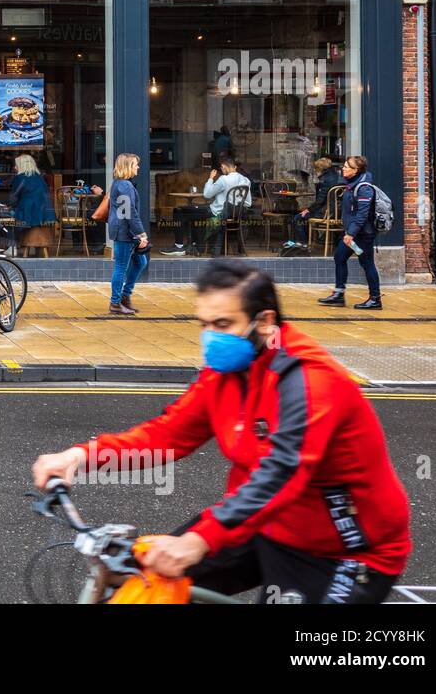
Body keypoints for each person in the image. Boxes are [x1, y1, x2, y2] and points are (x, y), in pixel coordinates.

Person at [32, 260, 411, 603]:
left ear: (264, 322)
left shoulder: (310, 382)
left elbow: (281, 475)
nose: (211, 336)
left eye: (223, 324)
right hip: (257, 524)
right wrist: (82, 456)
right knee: (144, 586)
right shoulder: (226, 372)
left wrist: (200, 540)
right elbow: (169, 435)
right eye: (205, 325)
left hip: (340, 550)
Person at [319, 155, 382, 310]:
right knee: (339, 257)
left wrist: (350, 234)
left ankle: (375, 299)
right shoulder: (352, 184)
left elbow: (362, 215)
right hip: (352, 233)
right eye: (344, 165)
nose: (343, 168)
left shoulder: (364, 188)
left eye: (347, 166)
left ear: (356, 170)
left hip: (362, 235)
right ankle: (339, 294)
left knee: (367, 264)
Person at [161, 157, 251, 257]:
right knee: (195, 211)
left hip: (216, 213)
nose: (222, 170)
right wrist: (234, 210)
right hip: (234, 215)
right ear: (234, 167)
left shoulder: (224, 179)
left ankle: (179, 246)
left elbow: (207, 194)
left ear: (224, 167)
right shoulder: (246, 180)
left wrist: (211, 178)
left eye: (222, 168)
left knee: (179, 211)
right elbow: (248, 203)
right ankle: (195, 245)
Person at [107, 152, 148, 316]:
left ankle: (125, 296)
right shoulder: (124, 185)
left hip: (125, 231)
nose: (138, 167)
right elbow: (129, 212)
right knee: (121, 267)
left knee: (140, 262)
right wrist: (141, 233)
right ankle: (115, 302)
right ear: (127, 166)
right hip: (124, 232)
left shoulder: (121, 184)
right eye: (135, 164)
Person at [284, 156, 340, 250]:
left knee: (298, 217)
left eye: (316, 169)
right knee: (305, 216)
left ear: (319, 169)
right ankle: (306, 241)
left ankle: (303, 243)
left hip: (327, 213)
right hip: (338, 212)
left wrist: (308, 209)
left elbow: (320, 201)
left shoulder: (324, 181)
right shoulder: (337, 176)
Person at [9, 154, 56, 257]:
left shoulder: (20, 178)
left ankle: (11, 246)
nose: (14, 167)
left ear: (22, 166)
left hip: (28, 213)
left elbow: (14, 197)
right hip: (44, 214)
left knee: (7, 219)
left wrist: (10, 207)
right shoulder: (40, 178)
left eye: (16, 165)